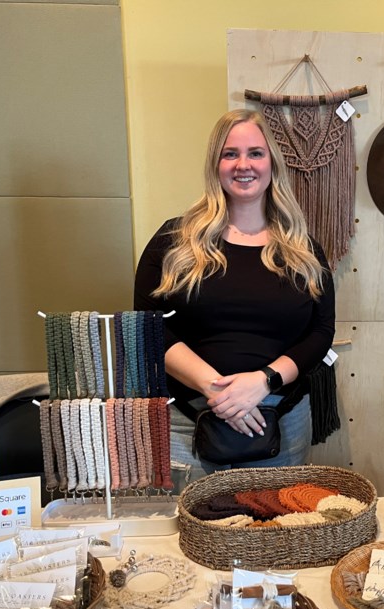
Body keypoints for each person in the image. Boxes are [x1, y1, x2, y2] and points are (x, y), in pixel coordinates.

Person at [134, 109, 336, 487]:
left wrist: (264, 381)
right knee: (193, 539)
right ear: (216, 164)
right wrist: (218, 391)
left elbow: (321, 331)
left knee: (278, 538)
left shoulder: (303, 249)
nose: (243, 165)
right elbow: (148, 327)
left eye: (255, 153)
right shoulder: (174, 241)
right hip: (190, 422)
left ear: (272, 163)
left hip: (283, 424)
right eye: (231, 154)